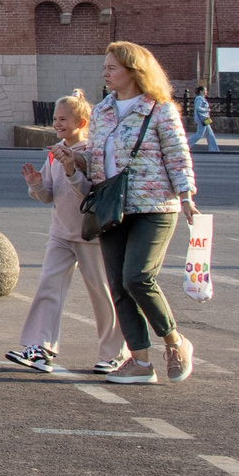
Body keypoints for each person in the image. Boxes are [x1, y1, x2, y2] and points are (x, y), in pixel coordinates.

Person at [89, 42, 201, 385]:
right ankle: (140, 363)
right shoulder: (102, 111)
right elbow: (95, 156)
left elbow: (177, 155)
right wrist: (73, 163)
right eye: (105, 67)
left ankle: (174, 341)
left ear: (134, 72)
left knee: (137, 277)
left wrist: (185, 194)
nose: (105, 73)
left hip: (154, 206)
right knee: (119, 287)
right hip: (111, 206)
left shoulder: (160, 110)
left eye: (112, 68)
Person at [7, 92, 124, 375]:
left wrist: (71, 167)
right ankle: (40, 348)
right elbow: (48, 195)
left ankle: (115, 354)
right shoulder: (54, 150)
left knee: (102, 293)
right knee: (48, 285)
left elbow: (87, 193)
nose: (57, 124)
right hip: (60, 233)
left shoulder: (93, 151)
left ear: (81, 121)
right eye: (55, 119)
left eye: (63, 119)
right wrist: (35, 184)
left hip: (91, 234)